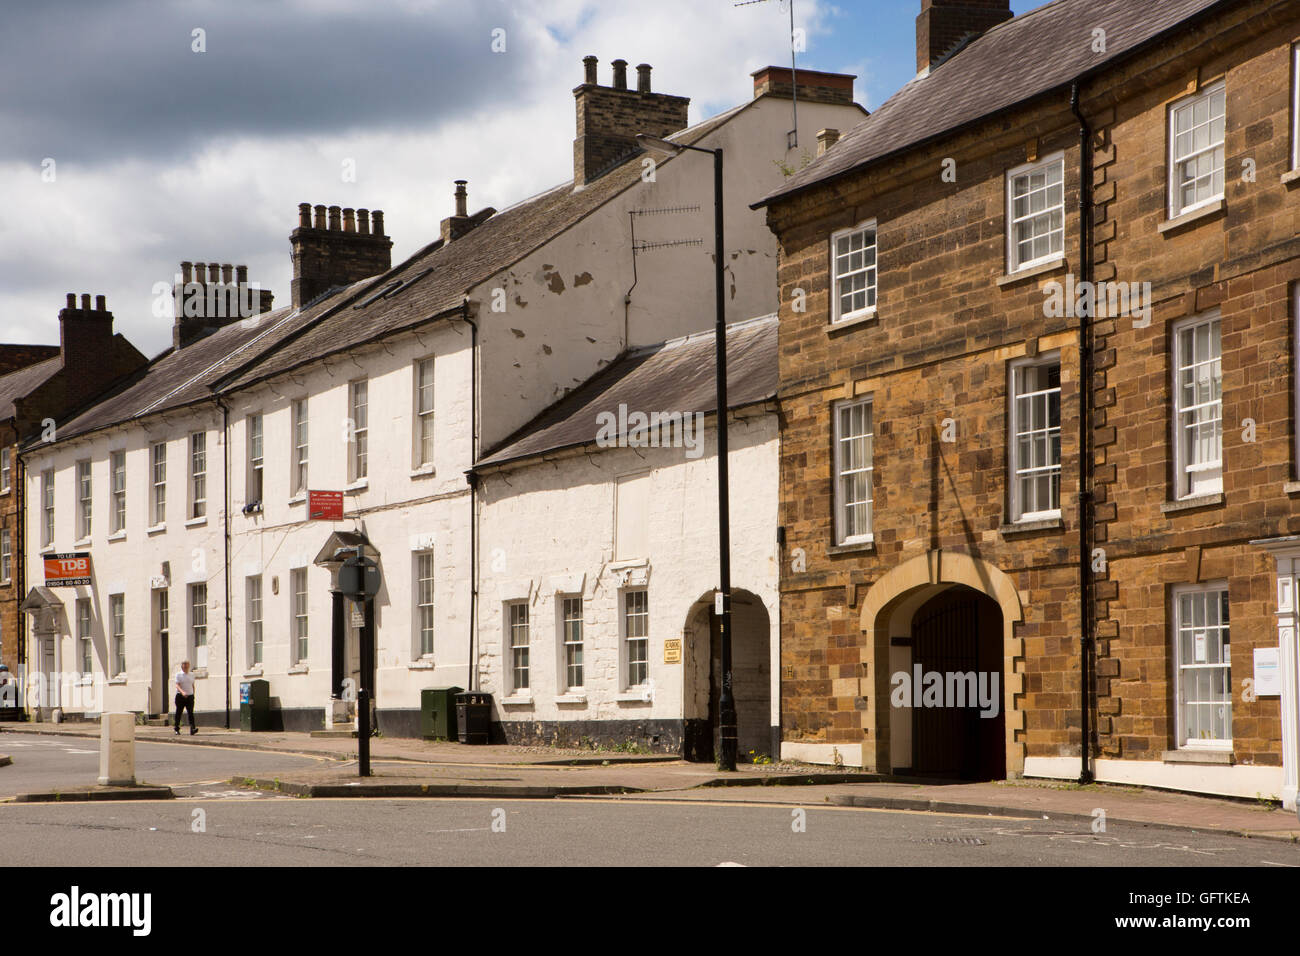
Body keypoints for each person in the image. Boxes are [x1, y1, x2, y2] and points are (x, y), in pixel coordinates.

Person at [174, 660, 197, 735]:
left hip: (190, 696)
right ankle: (176, 728)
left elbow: (192, 685)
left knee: (190, 712)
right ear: (182, 666)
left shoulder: (192, 675)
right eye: (184, 665)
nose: (186, 667)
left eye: (187, 665)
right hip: (180, 696)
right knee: (179, 712)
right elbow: (177, 685)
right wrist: (182, 692)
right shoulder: (178, 674)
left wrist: (193, 694)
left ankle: (192, 728)